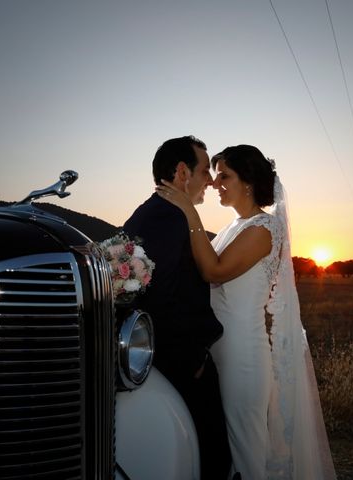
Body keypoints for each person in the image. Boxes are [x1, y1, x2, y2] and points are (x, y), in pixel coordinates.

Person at [156, 144, 336, 479]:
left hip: (243, 355)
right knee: (228, 453)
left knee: (248, 452)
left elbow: (214, 271)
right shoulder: (234, 227)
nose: (214, 183)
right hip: (220, 350)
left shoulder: (264, 230)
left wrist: (188, 210)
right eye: (216, 175)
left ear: (248, 182)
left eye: (225, 176)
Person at [123, 135, 232, 480]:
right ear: (183, 171)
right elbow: (160, 299)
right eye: (204, 171)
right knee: (209, 455)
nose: (211, 181)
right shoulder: (169, 218)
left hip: (167, 363)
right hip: (181, 367)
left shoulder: (148, 211)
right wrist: (192, 361)